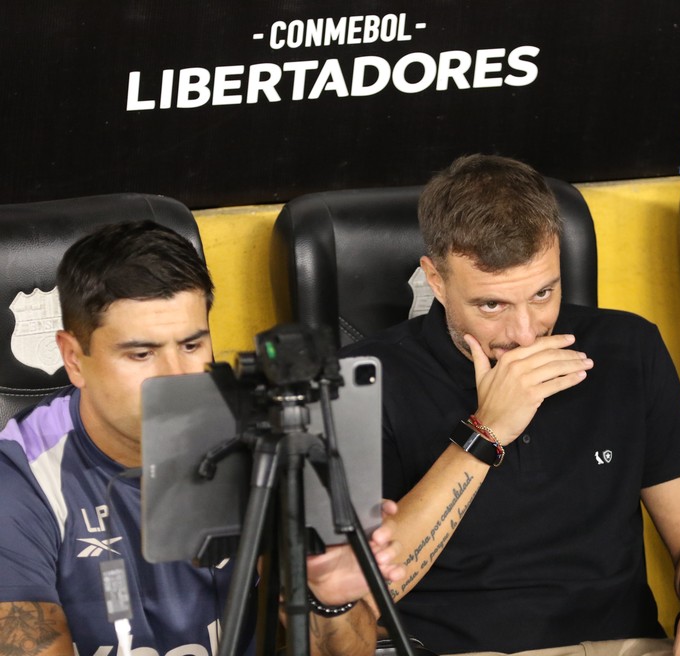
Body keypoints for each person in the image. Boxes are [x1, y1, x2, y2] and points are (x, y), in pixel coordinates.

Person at [342, 154, 680, 656]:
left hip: (621, 645)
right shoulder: (364, 378)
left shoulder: (627, 347)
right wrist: (484, 433)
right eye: (492, 305)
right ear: (436, 282)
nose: (525, 334)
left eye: (543, 293)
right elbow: (366, 590)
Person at [0, 221, 404, 656]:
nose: (177, 377)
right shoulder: (21, 479)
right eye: (141, 353)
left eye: (192, 346)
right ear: (73, 359)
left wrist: (330, 598)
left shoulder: (270, 436)